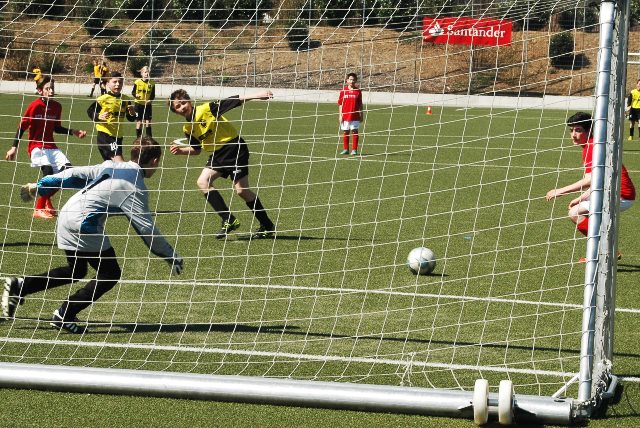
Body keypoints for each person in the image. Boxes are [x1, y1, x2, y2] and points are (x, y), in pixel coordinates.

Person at [1, 137, 184, 333]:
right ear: (154, 161)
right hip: (84, 224)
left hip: (67, 215)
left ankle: (21, 286)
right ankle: (65, 314)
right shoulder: (135, 187)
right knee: (110, 274)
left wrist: (42, 185)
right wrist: (170, 254)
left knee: (76, 270)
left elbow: (74, 173)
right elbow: (146, 229)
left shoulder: (112, 165)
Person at [168, 89, 276, 239]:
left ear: (189, 101)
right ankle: (228, 219)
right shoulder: (187, 128)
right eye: (178, 106)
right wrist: (181, 151)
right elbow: (196, 149)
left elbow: (233, 101)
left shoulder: (207, 109)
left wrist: (256, 96)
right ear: (175, 111)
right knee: (202, 182)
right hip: (218, 155)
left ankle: (267, 225)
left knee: (242, 191)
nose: (182, 107)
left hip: (234, 148)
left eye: (183, 102)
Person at [545, 112, 635, 262]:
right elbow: (599, 180)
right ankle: (604, 251)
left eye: (578, 130)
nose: (573, 135)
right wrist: (581, 197)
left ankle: (608, 249)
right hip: (612, 192)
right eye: (571, 130)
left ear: (589, 130)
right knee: (580, 210)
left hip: (620, 196)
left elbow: (590, 179)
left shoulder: (591, 147)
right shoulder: (593, 145)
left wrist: (560, 191)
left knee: (575, 213)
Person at [5, 76, 87, 219]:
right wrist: (14, 147)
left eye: (52, 88)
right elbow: (22, 127)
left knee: (68, 172)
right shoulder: (34, 106)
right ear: (40, 91)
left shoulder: (57, 106)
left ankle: (45, 198)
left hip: (51, 146)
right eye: (47, 88)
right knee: (48, 172)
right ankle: (38, 208)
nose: (51, 91)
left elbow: (57, 128)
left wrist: (72, 131)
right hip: (36, 146)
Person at [87, 71, 136, 162]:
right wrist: (98, 116)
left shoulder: (126, 99)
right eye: (114, 82)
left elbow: (131, 118)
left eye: (120, 82)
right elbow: (90, 111)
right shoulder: (103, 99)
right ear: (108, 84)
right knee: (120, 163)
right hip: (105, 135)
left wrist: (133, 113)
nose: (117, 84)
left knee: (112, 166)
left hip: (118, 136)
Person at [337, 72, 363, 156]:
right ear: (347, 80)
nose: (352, 81)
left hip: (355, 115)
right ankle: (346, 149)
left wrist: (362, 115)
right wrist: (340, 115)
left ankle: (354, 150)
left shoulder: (358, 91)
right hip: (345, 115)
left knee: (355, 131)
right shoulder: (343, 91)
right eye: (350, 79)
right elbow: (340, 104)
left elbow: (360, 104)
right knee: (345, 131)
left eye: (353, 80)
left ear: (356, 80)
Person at [131, 65, 156, 138]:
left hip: (147, 105)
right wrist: (136, 95)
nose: (147, 74)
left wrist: (150, 100)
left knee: (148, 122)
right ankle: (138, 138)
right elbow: (133, 92)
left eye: (148, 72)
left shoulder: (152, 83)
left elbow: (153, 95)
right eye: (145, 72)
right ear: (141, 73)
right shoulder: (137, 82)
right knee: (139, 122)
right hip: (138, 104)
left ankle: (149, 138)